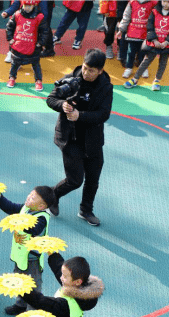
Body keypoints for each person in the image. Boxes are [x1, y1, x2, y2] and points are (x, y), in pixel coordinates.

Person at [46, 47, 112, 227]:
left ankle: (86, 210)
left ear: (100, 71)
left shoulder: (105, 87)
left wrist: (79, 116)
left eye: (91, 70)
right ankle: (52, 196)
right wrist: (63, 106)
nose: (86, 73)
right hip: (70, 138)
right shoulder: (70, 80)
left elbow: (104, 114)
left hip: (93, 139)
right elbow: (51, 99)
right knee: (75, 180)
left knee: (93, 179)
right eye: (84, 67)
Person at [0, 185, 57, 315]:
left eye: (33, 197)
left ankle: (33, 311)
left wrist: (17, 223)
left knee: (33, 285)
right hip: (20, 256)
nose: (29, 197)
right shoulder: (26, 208)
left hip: (32, 258)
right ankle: (20, 305)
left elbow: (34, 229)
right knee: (19, 280)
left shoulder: (42, 217)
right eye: (30, 194)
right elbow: (10, 207)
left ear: (41, 206)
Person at [123, 0, 169, 91]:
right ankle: (135, 79)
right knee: (146, 60)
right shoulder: (155, 11)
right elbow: (150, 26)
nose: (166, 4)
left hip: (166, 44)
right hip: (154, 43)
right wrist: (154, 39)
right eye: (164, 1)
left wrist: (167, 42)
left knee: (163, 62)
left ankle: (157, 81)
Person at [5, 0, 51, 91]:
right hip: (18, 45)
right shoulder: (17, 14)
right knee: (14, 63)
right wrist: (10, 39)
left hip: (33, 47)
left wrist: (41, 43)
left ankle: (38, 81)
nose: (27, 8)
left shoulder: (39, 17)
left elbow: (45, 31)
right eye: (25, 5)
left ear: (34, 5)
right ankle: (12, 78)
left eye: (29, 6)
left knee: (36, 64)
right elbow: (9, 26)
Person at [116, 0, 155, 79]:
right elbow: (126, 17)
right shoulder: (132, 3)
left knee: (143, 53)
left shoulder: (153, 3)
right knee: (130, 52)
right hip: (133, 33)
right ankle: (129, 68)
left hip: (145, 34)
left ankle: (143, 68)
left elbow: (156, 17)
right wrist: (121, 29)